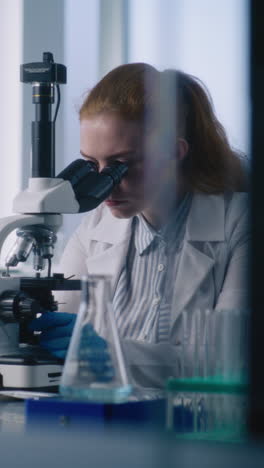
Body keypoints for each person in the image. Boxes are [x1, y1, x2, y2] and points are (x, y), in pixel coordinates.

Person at [29, 63, 249, 389]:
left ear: (175, 152)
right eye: (91, 165)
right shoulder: (95, 227)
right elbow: (59, 333)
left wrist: (108, 352)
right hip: (108, 424)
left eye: (121, 166)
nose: (104, 186)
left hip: (194, 428)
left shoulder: (241, 222)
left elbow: (230, 358)